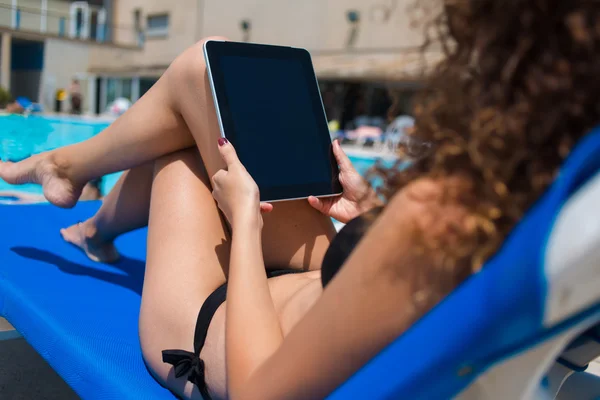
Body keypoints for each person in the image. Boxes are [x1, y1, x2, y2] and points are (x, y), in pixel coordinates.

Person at [1, 1, 600, 398]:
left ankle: (75, 192)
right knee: (206, 93)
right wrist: (367, 218)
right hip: (315, 286)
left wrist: (245, 225)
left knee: (187, 133)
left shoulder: (439, 219)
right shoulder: (557, 206)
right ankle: (84, 208)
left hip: (219, 327)